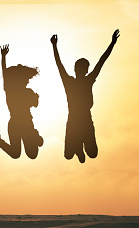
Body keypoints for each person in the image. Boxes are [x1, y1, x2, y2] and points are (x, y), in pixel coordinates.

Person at [50, 29, 119, 163]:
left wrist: (112, 44)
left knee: (92, 154)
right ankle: (78, 149)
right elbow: (100, 62)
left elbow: (101, 62)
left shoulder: (81, 81)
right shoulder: (73, 81)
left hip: (84, 121)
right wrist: (54, 47)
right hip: (75, 121)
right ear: (81, 70)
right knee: (69, 155)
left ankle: (78, 148)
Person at [0, 44, 43, 159]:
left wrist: (35, 98)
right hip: (16, 124)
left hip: (26, 123)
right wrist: (3, 57)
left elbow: (35, 104)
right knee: (15, 154)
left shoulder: (26, 91)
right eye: (26, 79)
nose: (27, 82)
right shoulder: (10, 90)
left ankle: (34, 135)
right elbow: (5, 73)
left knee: (32, 154)